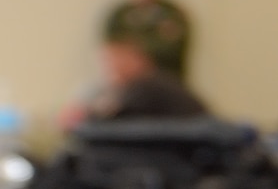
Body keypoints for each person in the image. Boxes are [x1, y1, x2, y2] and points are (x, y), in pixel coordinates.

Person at [59, 40, 208, 128]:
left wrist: (89, 114)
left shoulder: (149, 85)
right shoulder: (105, 89)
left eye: (115, 62)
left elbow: (115, 116)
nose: (109, 70)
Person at [103, 0, 194, 80]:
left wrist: (140, 54)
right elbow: (112, 51)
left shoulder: (172, 12)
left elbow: (176, 46)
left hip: (166, 80)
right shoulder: (119, 16)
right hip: (131, 83)